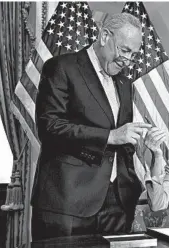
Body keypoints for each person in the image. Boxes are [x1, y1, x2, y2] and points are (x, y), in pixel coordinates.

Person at [31, 13, 152, 240]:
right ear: (105, 36)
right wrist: (109, 136)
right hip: (67, 202)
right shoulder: (61, 67)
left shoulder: (125, 83)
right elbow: (49, 127)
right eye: (124, 50)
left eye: (134, 55)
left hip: (118, 203)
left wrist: (133, 180)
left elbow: (123, 140)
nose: (127, 60)